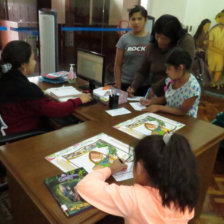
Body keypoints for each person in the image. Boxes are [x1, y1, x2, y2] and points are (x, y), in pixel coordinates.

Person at [76, 133, 199, 224]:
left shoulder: (135, 199)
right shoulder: (186, 194)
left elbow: (85, 186)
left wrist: (110, 169)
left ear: (140, 168)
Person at [0, 40, 92, 136]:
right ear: (23, 65)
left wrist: (39, 94)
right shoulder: (26, 89)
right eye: (32, 59)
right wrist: (79, 100)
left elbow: (26, 101)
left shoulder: (6, 80)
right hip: (24, 138)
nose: (35, 62)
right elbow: (56, 110)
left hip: (9, 129)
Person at [127, 14, 195, 98]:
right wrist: (133, 87)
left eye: (164, 39)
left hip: (176, 93)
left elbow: (182, 72)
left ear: (173, 38)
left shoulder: (184, 43)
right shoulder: (151, 47)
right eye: (157, 37)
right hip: (155, 92)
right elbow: (142, 71)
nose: (159, 41)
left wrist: (155, 88)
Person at [140, 47, 201, 118]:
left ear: (180, 68)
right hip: (168, 116)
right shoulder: (172, 79)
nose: (166, 72)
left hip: (185, 121)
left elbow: (182, 111)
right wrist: (152, 101)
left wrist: (159, 107)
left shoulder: (193, 87)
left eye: (169, 68)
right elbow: (168, 98)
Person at [114, 5, 151, 95]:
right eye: (133, 19)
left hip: (145, 85)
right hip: (125, 83)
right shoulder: (124, 39)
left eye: (139, 19)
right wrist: (118, 87)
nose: (136, 22)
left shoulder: (152, 39)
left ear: (145, 20)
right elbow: (117, 66)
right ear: (129, 20)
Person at [207, 9, 224, 89]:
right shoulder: (213, 30)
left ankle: (214, 83)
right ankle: (205, 84)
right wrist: (221, 52)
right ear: (219, 18)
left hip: (221, 55)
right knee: (210, 69)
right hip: (212, 54)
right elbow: (210, 46)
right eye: (222, 17)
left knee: (219, 70)